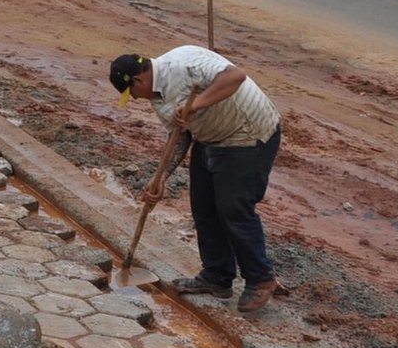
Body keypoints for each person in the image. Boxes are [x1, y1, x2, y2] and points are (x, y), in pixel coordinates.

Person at [109, 47, 282, 313]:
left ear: (138, 80)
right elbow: (180, 136)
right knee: (203, 208)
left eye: (131, 93)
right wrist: (162, 177)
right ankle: (217, 276)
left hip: (247, 135)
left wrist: (198, 103)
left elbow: (236, 76)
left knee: (233, 209)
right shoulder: (156, 96)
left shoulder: (183, 63)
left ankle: (261, 279)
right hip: (209, 137)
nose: (133, 99)